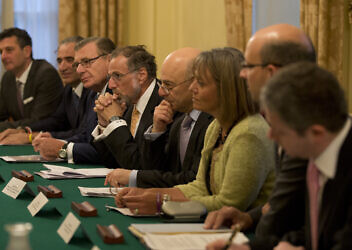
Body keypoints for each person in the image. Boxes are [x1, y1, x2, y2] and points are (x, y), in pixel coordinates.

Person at [114, 47, 275, 214]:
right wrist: (148, 194)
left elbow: (230, 204)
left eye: (201, 83)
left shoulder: (248, 133)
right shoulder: (216, 126)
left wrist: (159, 201)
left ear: (225, 89)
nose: (192, 88)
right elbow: (200, 186)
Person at [204, 24, 317, 250]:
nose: (241, 74)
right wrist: (250, 217)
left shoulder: (318, 134)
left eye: (248, 66)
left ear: (272, 73)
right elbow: (288, 206)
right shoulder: (282, 123)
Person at [265, 63, 351, 250]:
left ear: (316, 133)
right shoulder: (318, 151)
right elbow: (314, 233)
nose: (270, 136)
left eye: (280, 131)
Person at [105, 47, 212, 188]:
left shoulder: (212, 122)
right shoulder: (178, 120)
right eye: (162, 84)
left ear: (195, 84)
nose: (161, 91)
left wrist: (134, 177)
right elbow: (159, 169)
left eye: (168, 85)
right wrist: (157, 130)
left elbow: (194, 181)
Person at [31, 37, 115, 164]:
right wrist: (57, 141)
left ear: (109, 60)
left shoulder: (117, 94)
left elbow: (108, 153)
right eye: (77, 64)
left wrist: (62, 149)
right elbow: (86, 134)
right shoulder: (96, 92)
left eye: (87, 62)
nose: (79, 70)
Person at [0, 36, 86, 145]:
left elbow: (84, 133)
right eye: (59, 61)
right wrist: (24, 130)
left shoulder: (93, 91)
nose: (62, 68)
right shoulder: (69, 90)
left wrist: (33, 137)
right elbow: (57, 121)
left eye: (70, 60)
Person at [92, 45, 162, 169]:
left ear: (141, 75)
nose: (111, 84)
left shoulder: (163, 104)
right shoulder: (129, 103)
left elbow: (138, 166)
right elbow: (110, 161)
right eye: (110, 77)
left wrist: (115, 120)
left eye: (117, 76)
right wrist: (104, 124)